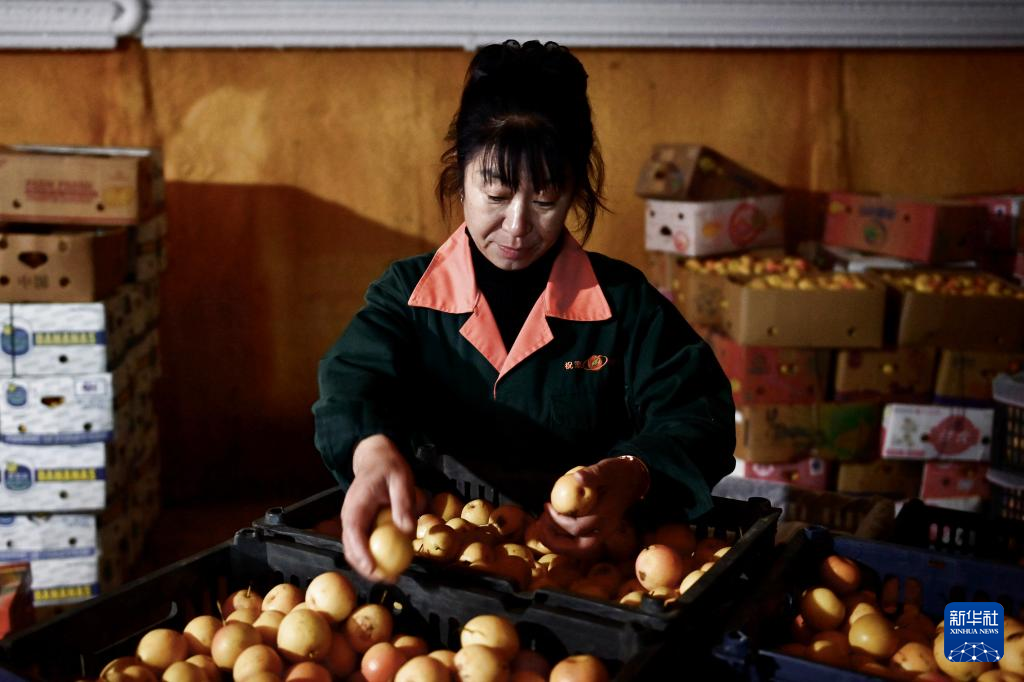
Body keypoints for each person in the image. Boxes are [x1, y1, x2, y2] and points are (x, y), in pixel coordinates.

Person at [313, 39, 735, 581]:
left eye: (544, 201)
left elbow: (699, 414)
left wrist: (633, 473)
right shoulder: (408, 297)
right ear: (460, 176)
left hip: (591, 578)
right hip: (441, 575)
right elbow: (353, 381)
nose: (517, 226)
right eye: (496, 194)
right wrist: (371, 449)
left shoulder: (625, 305)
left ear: (575, 191)